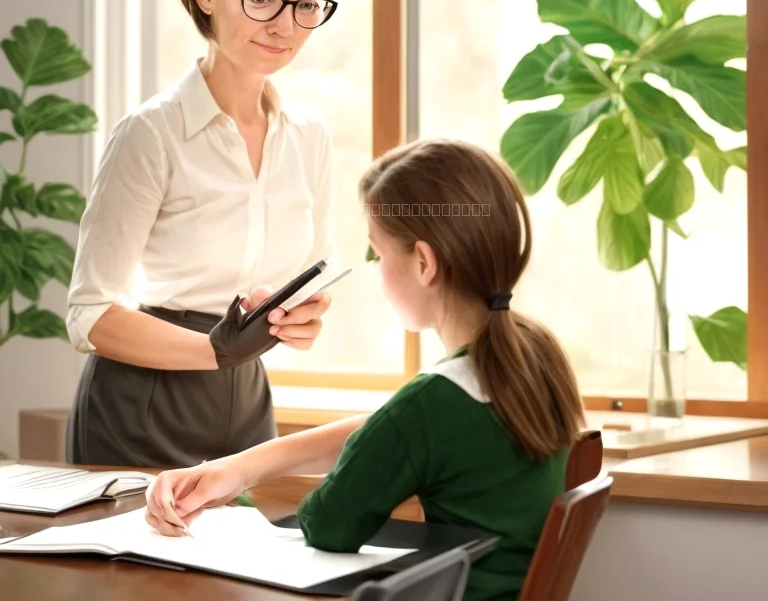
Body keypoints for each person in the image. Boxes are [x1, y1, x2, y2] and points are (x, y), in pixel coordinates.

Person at [144, 138, 586, 601]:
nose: (376, 269)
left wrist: (248, 489)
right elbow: (392, 430)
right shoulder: (534, 355)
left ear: (423, 262)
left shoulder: (432, 404)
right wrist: (240, 468)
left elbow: (329, 524)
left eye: (377, 253)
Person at [65, 0, 341, 468]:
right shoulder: (152, 133)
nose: (284, 26)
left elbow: (308, 285)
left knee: (243, 559)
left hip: (245, 400)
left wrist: (303, 320)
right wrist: (215, 351)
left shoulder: (310, 137)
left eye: (306, 2)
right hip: (142, 402)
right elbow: (89, 314)